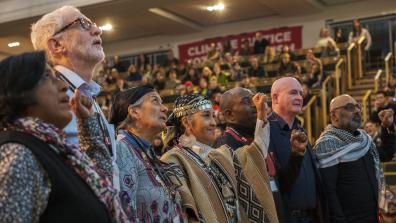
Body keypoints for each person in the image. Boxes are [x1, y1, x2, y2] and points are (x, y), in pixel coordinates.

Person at [0, 51, 128, 222]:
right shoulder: (18, 154)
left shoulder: (52, 147)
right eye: (47, 76)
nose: (63, 85)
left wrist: (86, 122)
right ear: (18, 91)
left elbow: (102, 179)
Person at [162, 93, 279, 223]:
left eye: (213, 116)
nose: (213, 123)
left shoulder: (220, 155)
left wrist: (261, 114)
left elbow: (256, 152)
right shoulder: (172, 160)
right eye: (206, 116)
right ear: (186, 122)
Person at [214, 87, 310, 222]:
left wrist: (296, 154)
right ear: (230, 115)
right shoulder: (224, 145)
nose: (256, 104)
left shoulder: (260, 137)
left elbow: (282, 184)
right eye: (248, 101)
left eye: (256, 98)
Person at [31, 6, 116, 154]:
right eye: (83, 24)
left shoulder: (86, 92)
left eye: (93, 24)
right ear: (57, 45)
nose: (97, 30)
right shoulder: (48, 100)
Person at [108, 85, 185, 222]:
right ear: (134, 111)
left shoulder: (147, 152)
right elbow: (125, 216)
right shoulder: (122, 148)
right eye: (155, 101)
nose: (165, 108)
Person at [314, 94, 383, 223]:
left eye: (358, 106)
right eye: (350, 107)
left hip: (373, 215)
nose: (357, 111)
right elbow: (329, 191)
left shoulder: (364, 139)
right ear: (333, 116)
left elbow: (385, 155)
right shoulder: (327, 145)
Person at [268, 77, 328, 223]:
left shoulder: (300, 129)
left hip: (312, 217)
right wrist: (296, 155)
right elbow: (276, 183)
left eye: (301, 93)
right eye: (293, 93)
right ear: (275, 98)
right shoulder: (265, 131)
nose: (300, 98)